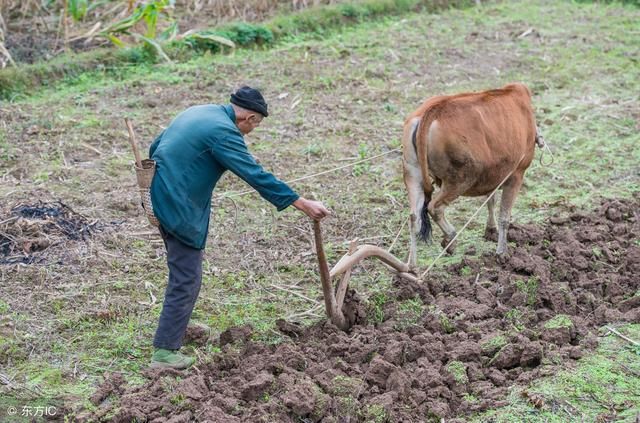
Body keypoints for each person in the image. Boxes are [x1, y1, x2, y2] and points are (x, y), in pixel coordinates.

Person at [148, 86, 330, 369]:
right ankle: (165, 352)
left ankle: (177, 327)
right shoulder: (224, 131)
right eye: (255, 124)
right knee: (187, 276)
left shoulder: (201, 111)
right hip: (178, 205)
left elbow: (156, 146)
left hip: (158, 194)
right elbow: (253, 174)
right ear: (251, 118)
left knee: (182, 270)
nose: (252, 130)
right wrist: (301, 202)